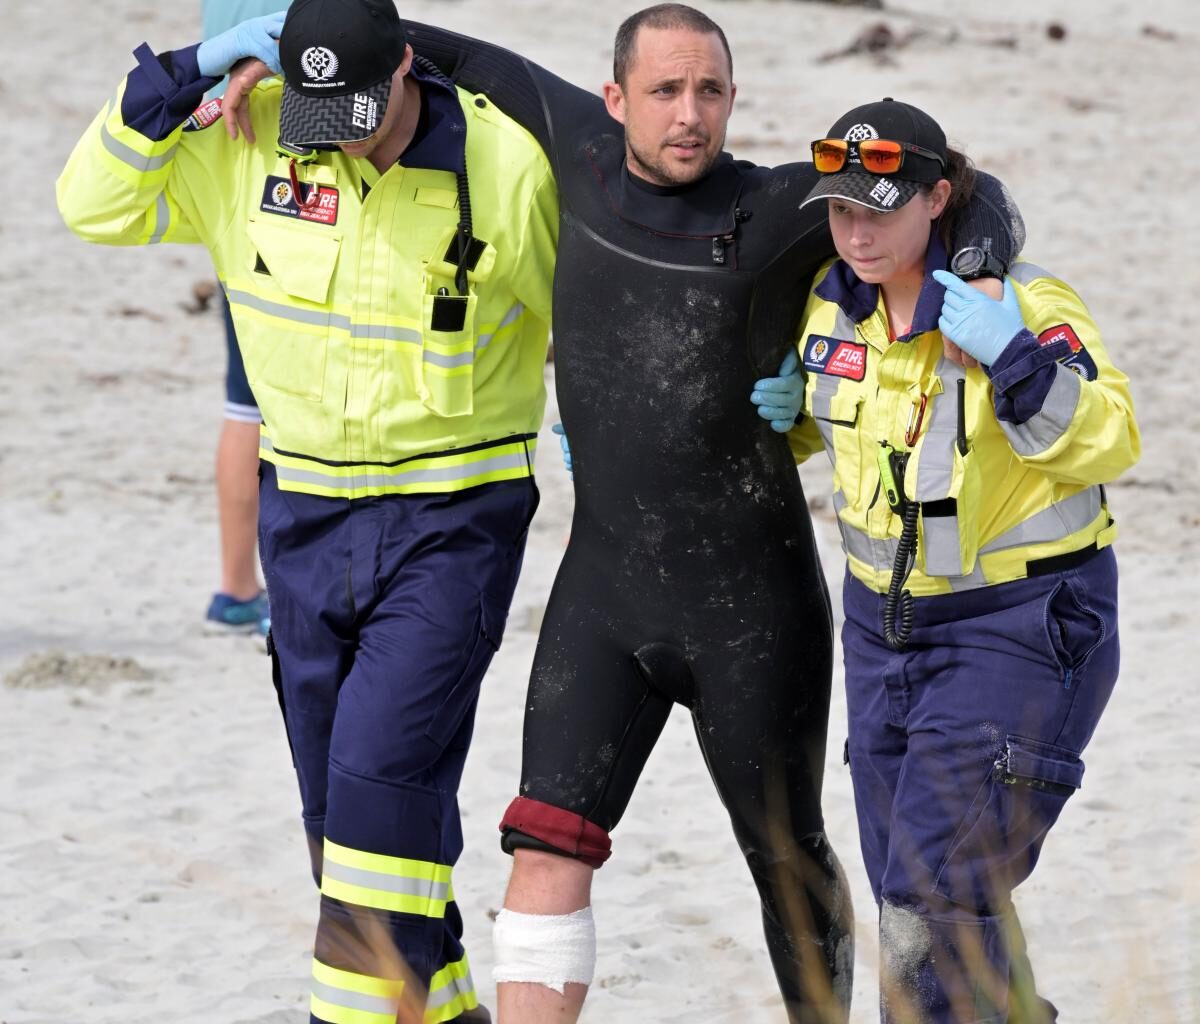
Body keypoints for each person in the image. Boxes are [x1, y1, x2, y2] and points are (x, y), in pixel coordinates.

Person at [220, 7, 1023, 1021]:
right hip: (604, 594)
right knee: (544, 838)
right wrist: (287, 44)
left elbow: (972, 190)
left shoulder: (778, 207)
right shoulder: (578, 150)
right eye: (665, 91)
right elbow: (447, 53)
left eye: (710, 91)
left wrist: (980, 269)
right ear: (615, 98)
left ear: (732, 99)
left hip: (752, 605)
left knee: (783, 853)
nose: (689, 115)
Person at [56, 0, 558, 1020]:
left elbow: (590, 324)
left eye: (358, 115)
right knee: (343, 827)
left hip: (450, 526)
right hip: (304, 528)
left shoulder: (505, 166)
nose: (340, 140)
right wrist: (193, 65)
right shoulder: (253, 134)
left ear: (405, 66)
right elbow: (91, 204)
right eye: (321, 117)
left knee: (378, 800)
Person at [782, 97, 1139, 1023]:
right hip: (880, 634)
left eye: (879, 210)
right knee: (931, 894)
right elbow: (826, 436)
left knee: (930, 900)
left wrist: (1016, 360)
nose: (856, 234)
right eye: (840, 211)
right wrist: (772, 419)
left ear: (938, 198)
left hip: (1020, 628)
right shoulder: (829, 304)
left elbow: (1113, 438)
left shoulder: (1026, 300)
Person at [200, 0, 291, 637]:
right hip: (299, 170)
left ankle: (236, 589)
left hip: (226, 163)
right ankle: (270, 596)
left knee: (244, 402)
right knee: (276, 405)